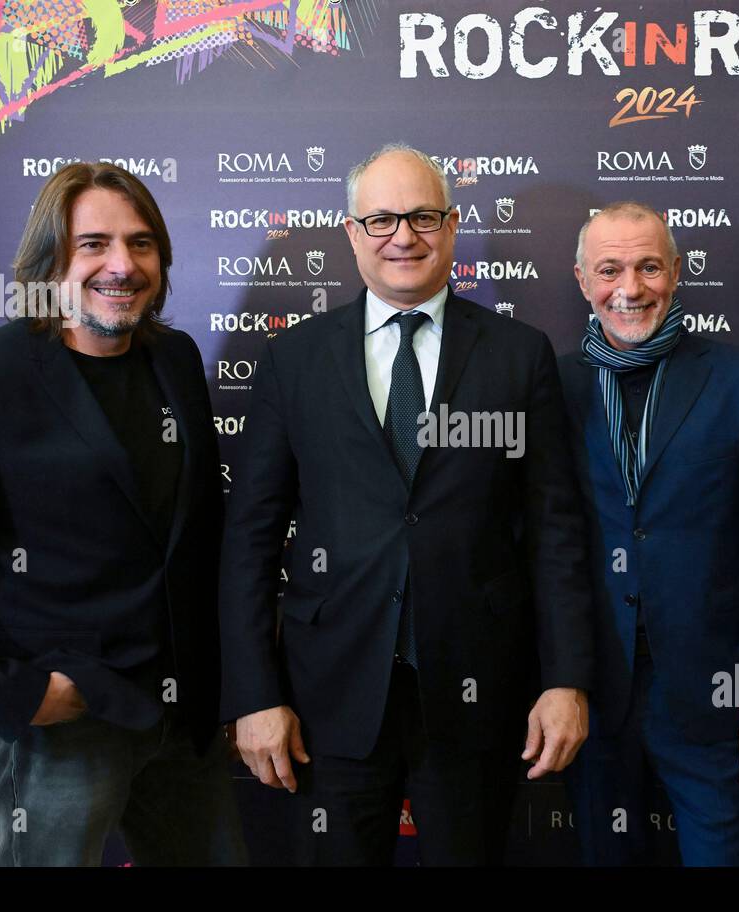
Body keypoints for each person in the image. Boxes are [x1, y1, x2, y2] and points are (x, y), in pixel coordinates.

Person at [0, 162, 245, 866]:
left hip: (184, 720)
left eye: (141, 244)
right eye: (94, 244)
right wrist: (17, 692)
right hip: (64, 730)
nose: (122, 264)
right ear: (47, 260)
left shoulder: (173, 360)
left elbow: (194, 538)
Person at [219, 143, 593, 865]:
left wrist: (566, 680)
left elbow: (556, 533)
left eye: (423, 216)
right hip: (327, 698)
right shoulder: (293, 359)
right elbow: (250, 541)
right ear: (353, 233)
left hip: (478, 693)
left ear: (451, 226)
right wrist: (253, 695)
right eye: (382, 219)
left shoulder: (520, 354)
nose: (404, 236)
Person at [560, 202, 739, 866]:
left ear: (678, 273)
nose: (629, 290)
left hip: (714, 697)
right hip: (592, 694)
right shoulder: (553, 385)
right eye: (609, 270)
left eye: (648, 267)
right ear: (582, 279)